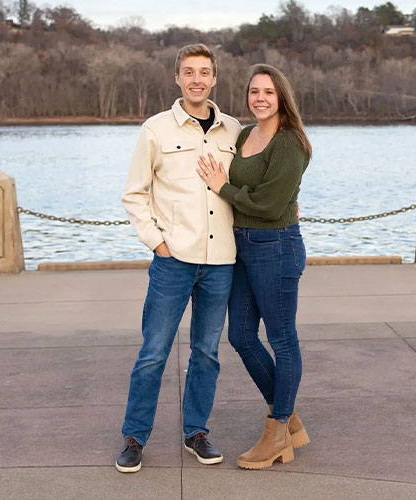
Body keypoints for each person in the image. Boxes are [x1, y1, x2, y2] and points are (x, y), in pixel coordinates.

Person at [117, 43, 241, 473]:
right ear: (177, 78)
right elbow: (134, 194)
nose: (197, 80)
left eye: (204, 72)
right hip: (174, 260)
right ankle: (135, 437)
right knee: (154, 352)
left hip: (221, 261)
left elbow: (246, 190)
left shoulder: (234, 131)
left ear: (215, 79)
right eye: (189, 72)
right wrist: (157, 243)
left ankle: (196, 433)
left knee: (207, 352)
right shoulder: (155, 130)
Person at [196, 63, 312, 470]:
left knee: (282, 339)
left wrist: (223, 187)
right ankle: (289, 417)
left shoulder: (291, 143)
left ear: (282, 97)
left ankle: (277, 429)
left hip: (277, 247)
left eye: (268, 92)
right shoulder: (245, 135)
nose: (259, 98)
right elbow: (254, 195)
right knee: (242, 337)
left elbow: (270, 204)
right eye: (253, 92)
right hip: (243, 246)